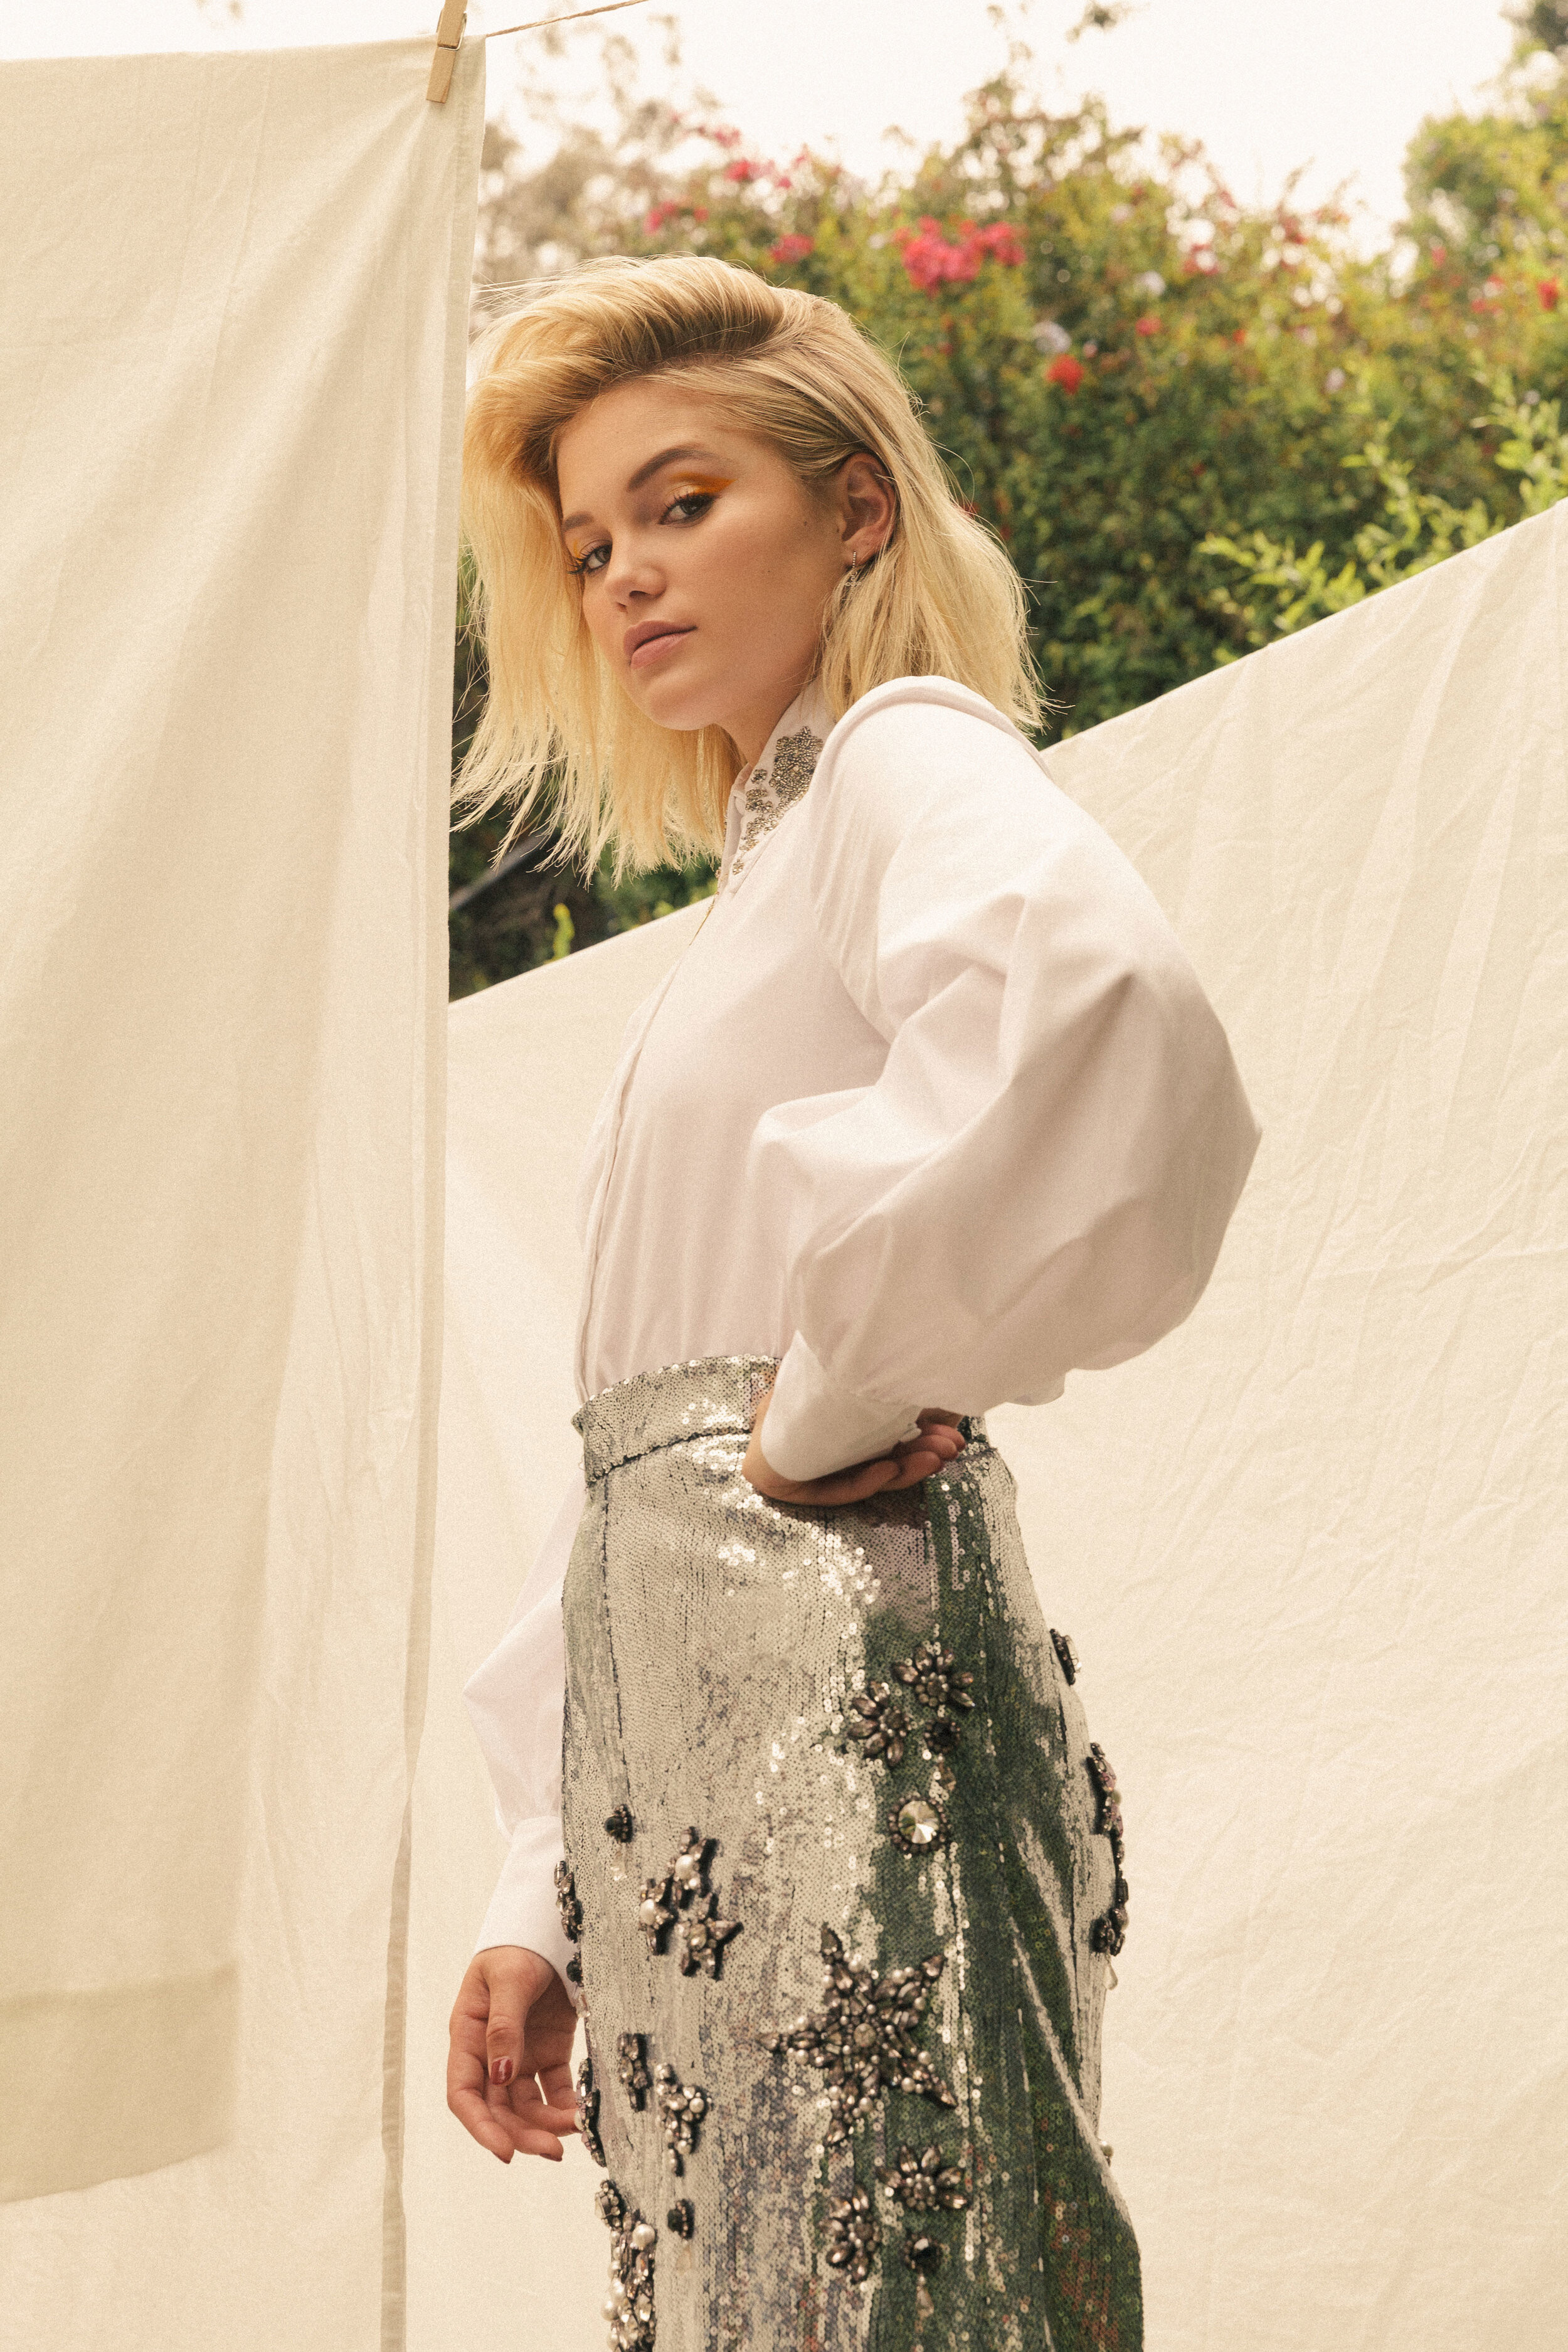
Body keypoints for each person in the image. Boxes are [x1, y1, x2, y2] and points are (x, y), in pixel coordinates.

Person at [445, 253, 1259, 2352]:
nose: (625, 575)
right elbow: (642, 1418)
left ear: (857, 509)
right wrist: (544, 1880)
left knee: (912, 2297)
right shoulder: (759, 883)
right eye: (589, 545)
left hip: (839, 1684)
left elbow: (1100, 1012)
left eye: (682, 501)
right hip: (680, 1741)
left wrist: (839, 1395)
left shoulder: (899, 760)